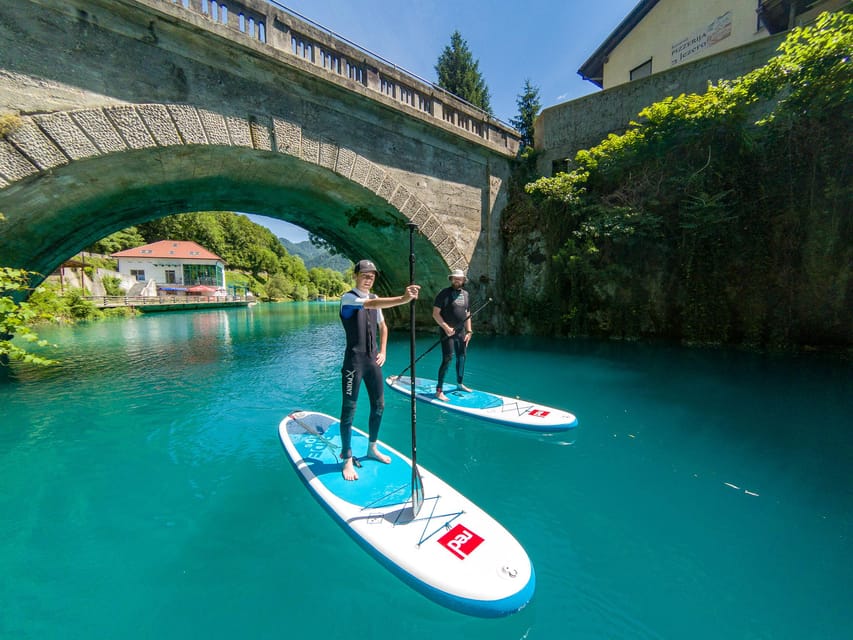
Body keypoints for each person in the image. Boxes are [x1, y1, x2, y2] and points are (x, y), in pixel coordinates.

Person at [338, 259, 420, 481]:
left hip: (372, 362)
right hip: (353, 364)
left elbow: (383, 326)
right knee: (349, 410)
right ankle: (347, 458)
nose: (369, 278)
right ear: (356, 275)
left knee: (379, 405)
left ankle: (371, 448)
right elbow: (369, 306)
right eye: (365, 274)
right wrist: (404, 299)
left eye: (372, 275)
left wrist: (383, 351)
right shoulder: (349, 298)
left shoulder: (375, 298)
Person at [432, 268, 472, 401]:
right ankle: (439, 391)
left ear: (463, 281)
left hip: (461, 333)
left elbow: (467, 313)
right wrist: (445, 327)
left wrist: (469, 331)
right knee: (447, 359)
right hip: (447, 332)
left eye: (459, 278)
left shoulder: (466, 294)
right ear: (451, 279)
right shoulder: (444, 293)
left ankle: (459, 384)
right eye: (454, 278)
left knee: (462, 358)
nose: (457, 280)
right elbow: (435, 314)